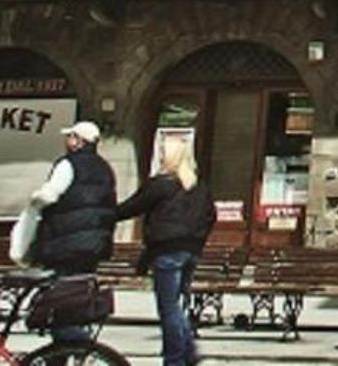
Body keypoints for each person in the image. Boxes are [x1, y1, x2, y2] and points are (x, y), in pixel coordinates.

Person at [113, 133, 215, 366]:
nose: (159, 156)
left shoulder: (161, 185)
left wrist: (105, 214)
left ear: (170, 157)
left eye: (162, 152)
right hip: (190, 251)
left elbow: (132, 207)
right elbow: (211, 216)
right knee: (177, 305)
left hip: (167, 251)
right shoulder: (198, 187)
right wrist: (197, 242)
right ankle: (188, 352)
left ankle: (175, 358)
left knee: (168, 308)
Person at [25, 121, 118, 343]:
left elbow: (49, 195)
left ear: (78, 141)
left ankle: (80, 345)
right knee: (76, 301)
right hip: (93, 246)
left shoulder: (68, 164)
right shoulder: (105, 168)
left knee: (60, 306)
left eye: (70, 137)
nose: (66, 141)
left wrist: (34, 200)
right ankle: (65, 352)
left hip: (65, 245)